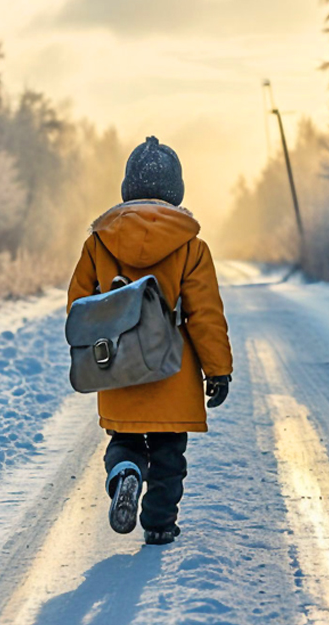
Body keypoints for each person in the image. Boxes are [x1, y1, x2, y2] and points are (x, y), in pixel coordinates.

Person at [67, 136, 234, 545]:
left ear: (127, 187)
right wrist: (218, 370)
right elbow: (205, 315)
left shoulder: (99, 241)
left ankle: (124, 472)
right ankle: (159, 524)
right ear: (176, 190)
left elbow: (78, 304)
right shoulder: (192, 247)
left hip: (118, 365)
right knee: (168, 454)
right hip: (171, 369)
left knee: (124, 438)